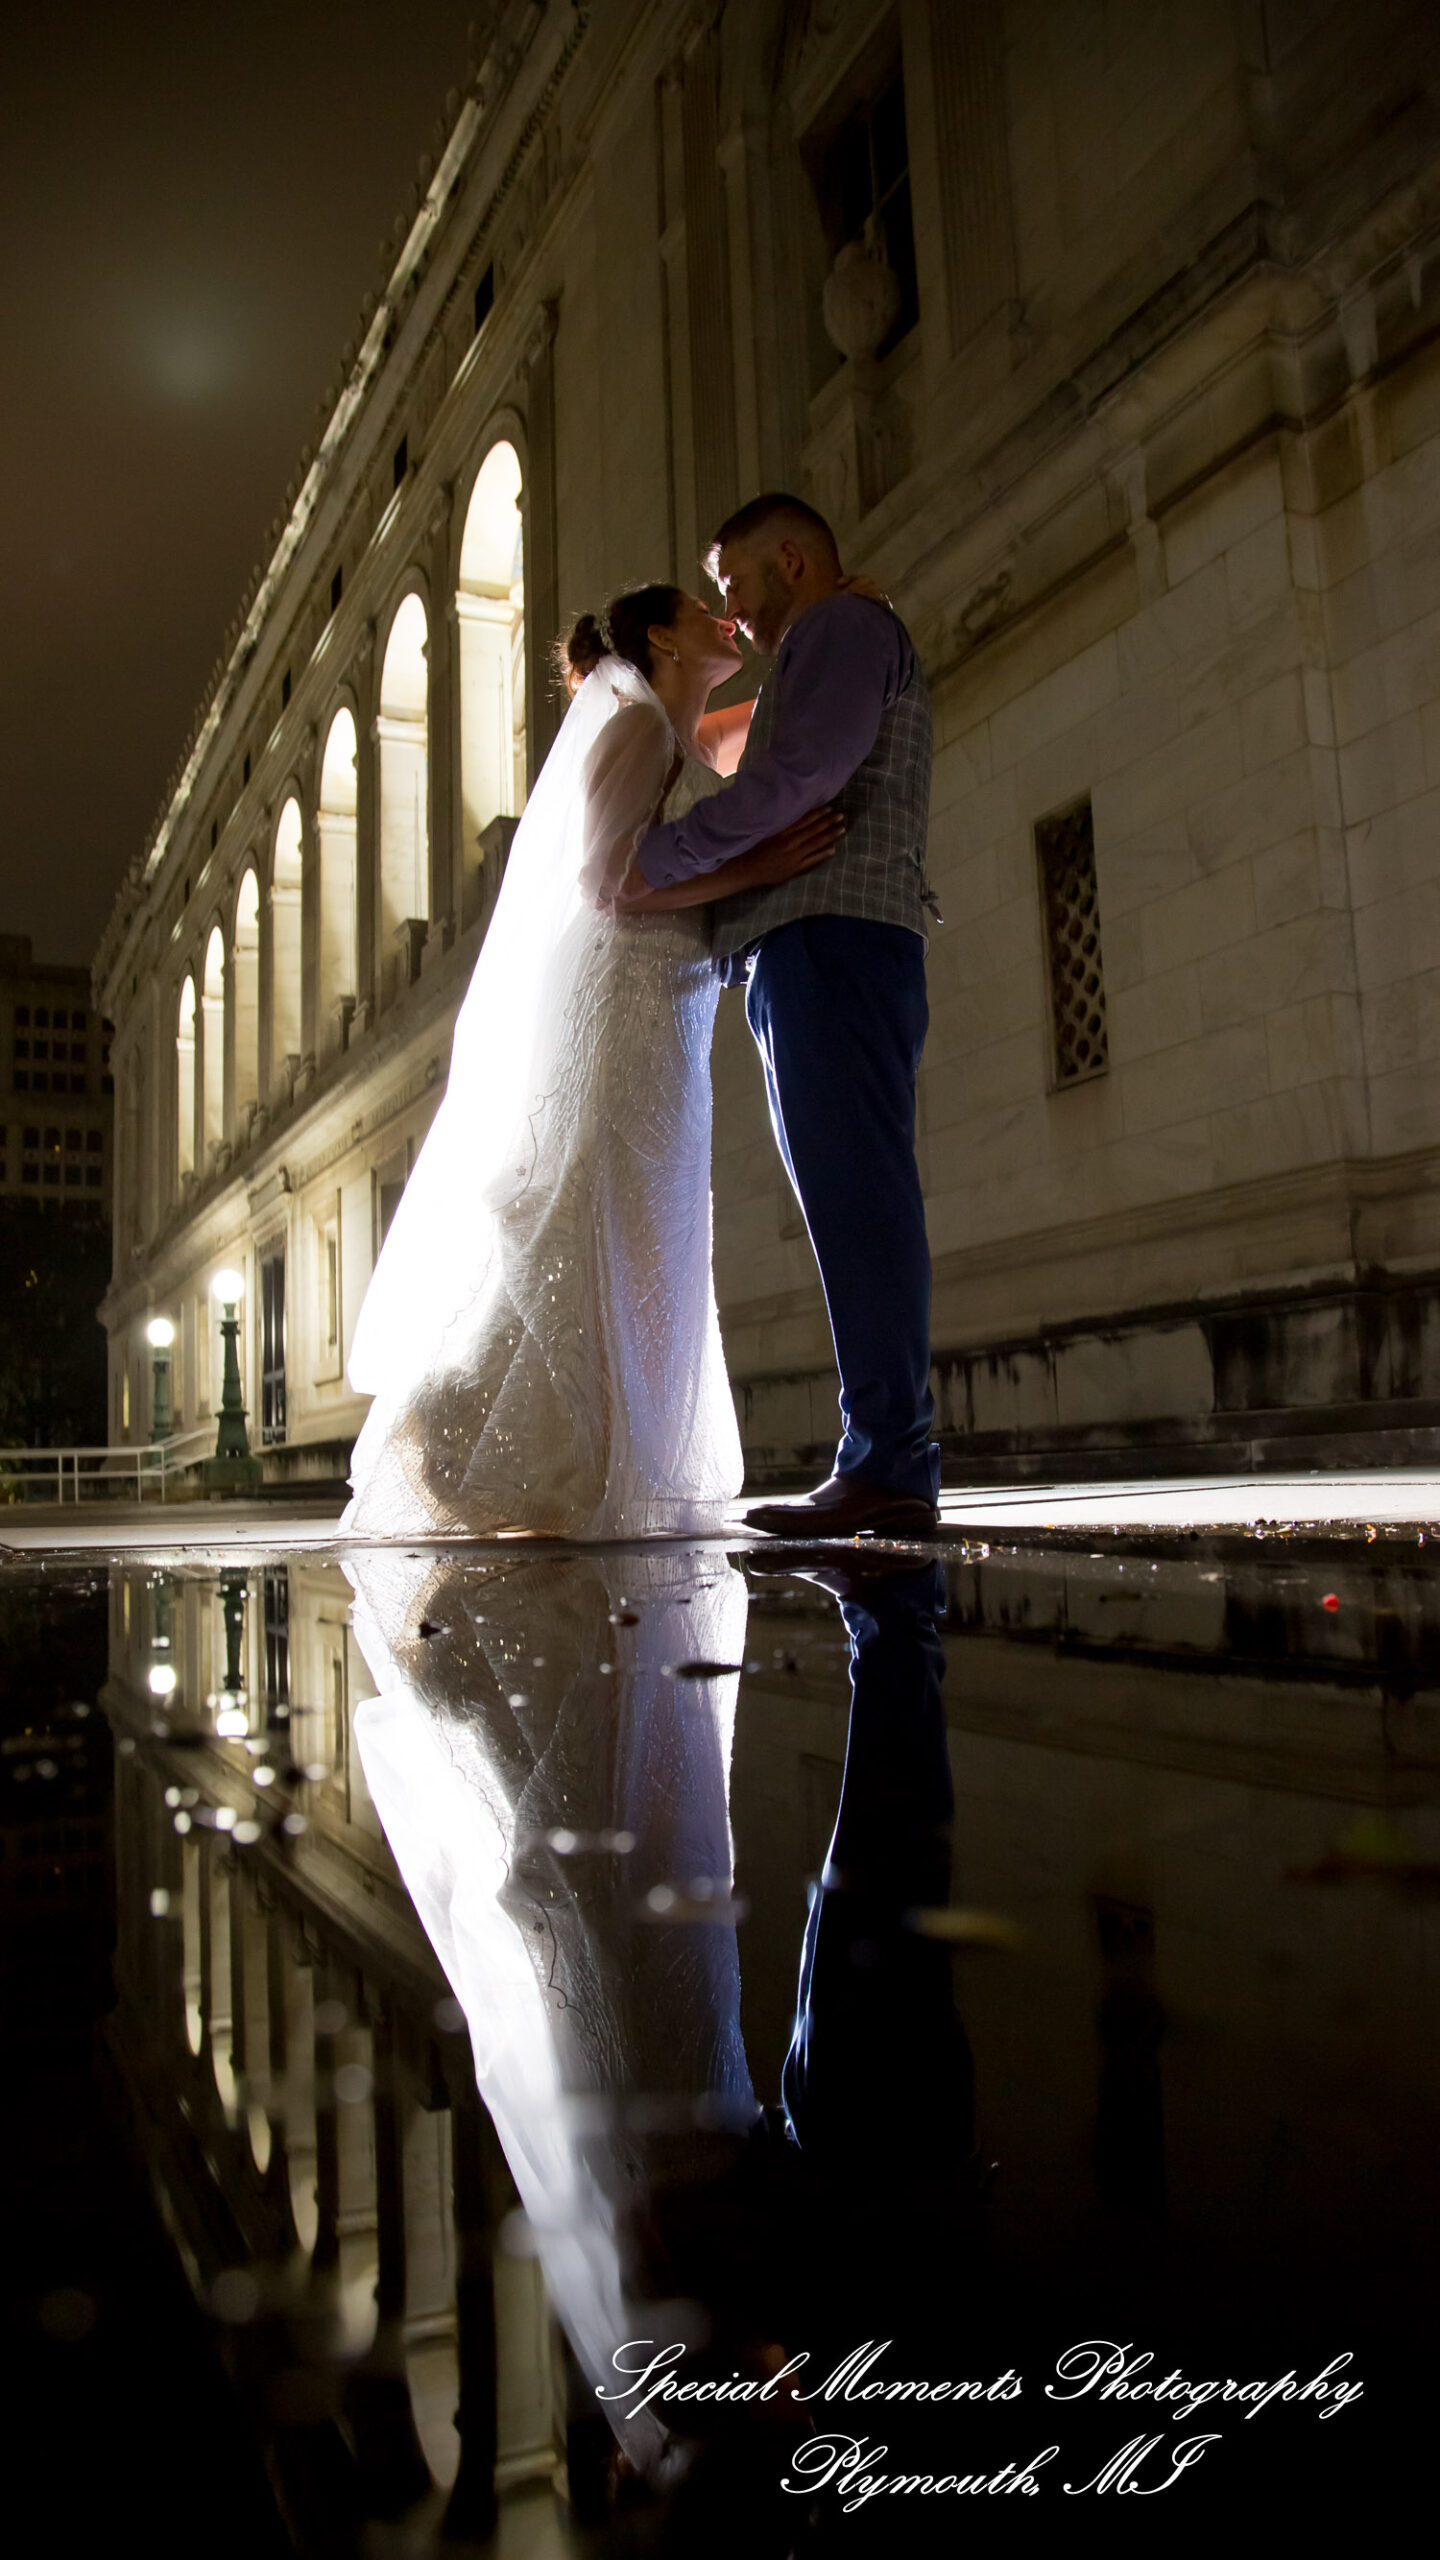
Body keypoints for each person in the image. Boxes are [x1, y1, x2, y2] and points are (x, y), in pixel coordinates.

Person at [341, 582, 840, 1541]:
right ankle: (462, 1434)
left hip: (664, 999)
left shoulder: (675, 731)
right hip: (625, 1000)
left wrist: (823, 607)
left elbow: (779, 722)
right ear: (661, 636)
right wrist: (761, 869)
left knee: (638, 1220)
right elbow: (609, 880)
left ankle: (577, 1453)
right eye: (704, 606)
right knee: (600, 1209)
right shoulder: (642, 732)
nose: (723, 615)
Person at [633, 491, 940, 1539]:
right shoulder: (821, 646)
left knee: (857, 1198)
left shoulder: (846, 629)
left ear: (792, 562)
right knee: (847, 1198)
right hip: (814, 947)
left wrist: (654, 860)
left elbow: (798, 780)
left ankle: (892, 1458)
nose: (735, 611)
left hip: (837, 940)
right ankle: (885, 1452)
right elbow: (764, 761)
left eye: (736, 583)